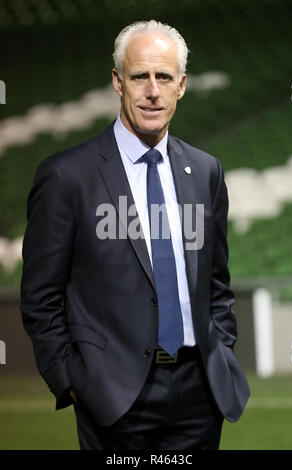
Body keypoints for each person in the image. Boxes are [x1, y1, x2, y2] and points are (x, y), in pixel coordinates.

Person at [20, 20, 250, 450]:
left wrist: (221, 349)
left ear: (181, 86)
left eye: (163, 77)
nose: (152, 90)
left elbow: (217, 282)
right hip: (113, 396)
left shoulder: (205, 171)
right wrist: (71, 380)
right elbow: (39, 296)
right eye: (139, 75)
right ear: (116, 81)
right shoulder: (67, 176)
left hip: (200, 392)